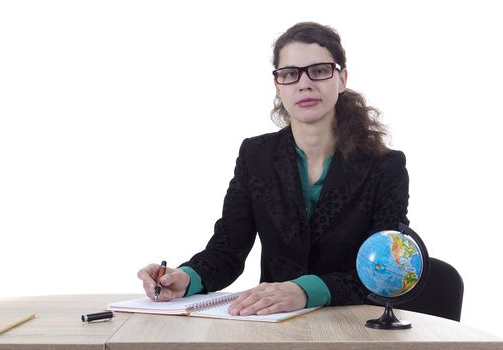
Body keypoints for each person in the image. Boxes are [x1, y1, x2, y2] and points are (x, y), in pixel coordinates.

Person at [137, 22, 409, 316]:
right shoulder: (256, 156)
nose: (304, 84)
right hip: (274, 324)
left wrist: (305, 290)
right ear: (278, 85)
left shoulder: (385, 166)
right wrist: (187, 278)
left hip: (354, 324)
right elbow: (228, 249)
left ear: (342, 79)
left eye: (319, 71)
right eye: (290, 74)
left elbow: (386, 272)